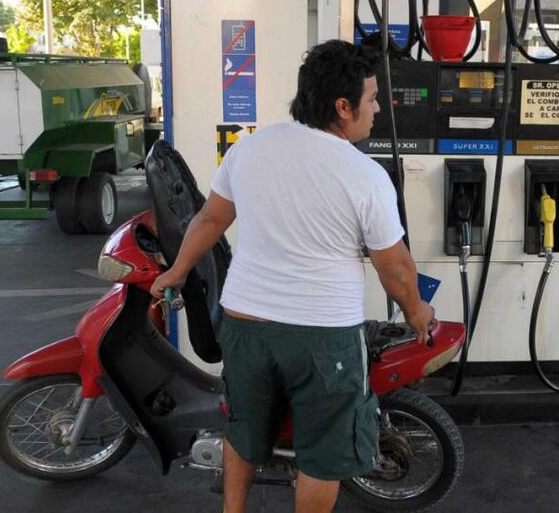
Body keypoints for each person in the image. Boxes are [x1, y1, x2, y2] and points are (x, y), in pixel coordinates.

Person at [150, 40, 435, 513]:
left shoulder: (250, 148)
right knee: (323, 453)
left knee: (242, 430)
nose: (378, 108)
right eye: (371, 99)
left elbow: (208, 221)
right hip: (322, 337)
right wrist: (417, 312)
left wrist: (177, 272)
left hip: (244, 326)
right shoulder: (364, 175)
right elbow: (396, 269)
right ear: (343, 107)